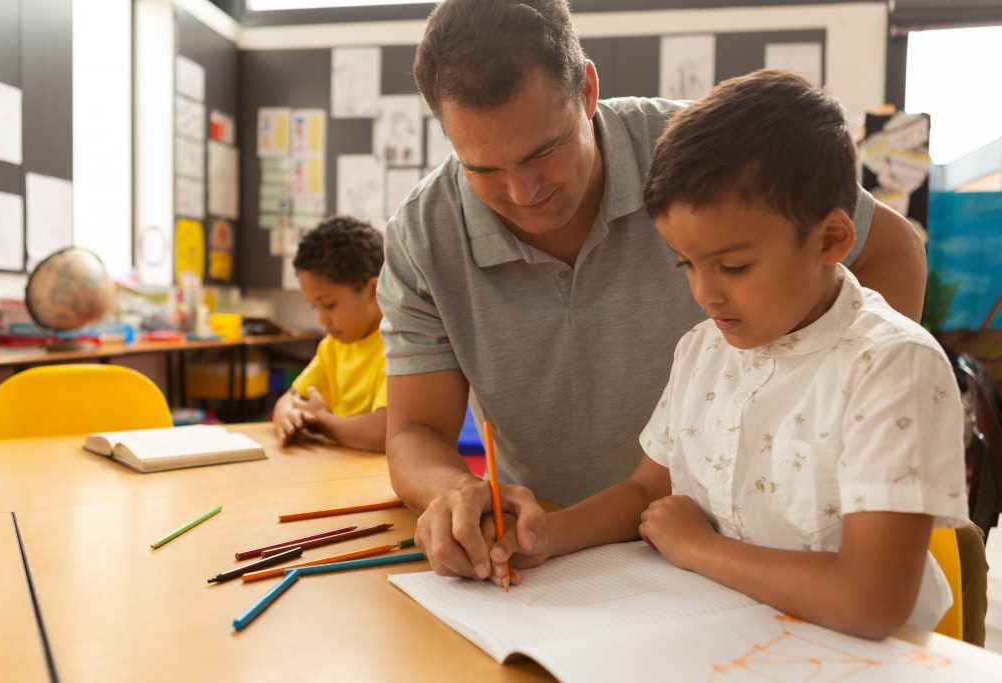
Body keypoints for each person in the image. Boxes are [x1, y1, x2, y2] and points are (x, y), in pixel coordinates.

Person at [377, 0, 929, 583]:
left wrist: (854, 394)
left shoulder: (702, 162)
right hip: (583, 559)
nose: (522, 190)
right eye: (482, 168)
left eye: (544, 150)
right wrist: (460, 495)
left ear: (587, 90)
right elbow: (415, 432)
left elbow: (890, 245)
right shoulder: (424, 232)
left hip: (763, 552)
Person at [488, 69, 968, 639]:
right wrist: (547, 535)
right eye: (685, 264)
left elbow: (872, 601)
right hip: (727, 640)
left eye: (734, 266)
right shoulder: (703, 349)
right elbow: (647, 490)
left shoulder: (889, 365)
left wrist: (699, 549)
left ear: (831, 240)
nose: (704, 294)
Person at [273, 215, 387, 452]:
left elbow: (381, 432)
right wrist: (289, 419)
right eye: (315, 306)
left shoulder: (397, 346)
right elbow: (287, 400)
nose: (321, 319)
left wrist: (322, 422)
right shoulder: (333, 346)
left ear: (372, 291)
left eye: (329, 305)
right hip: (335, 476)